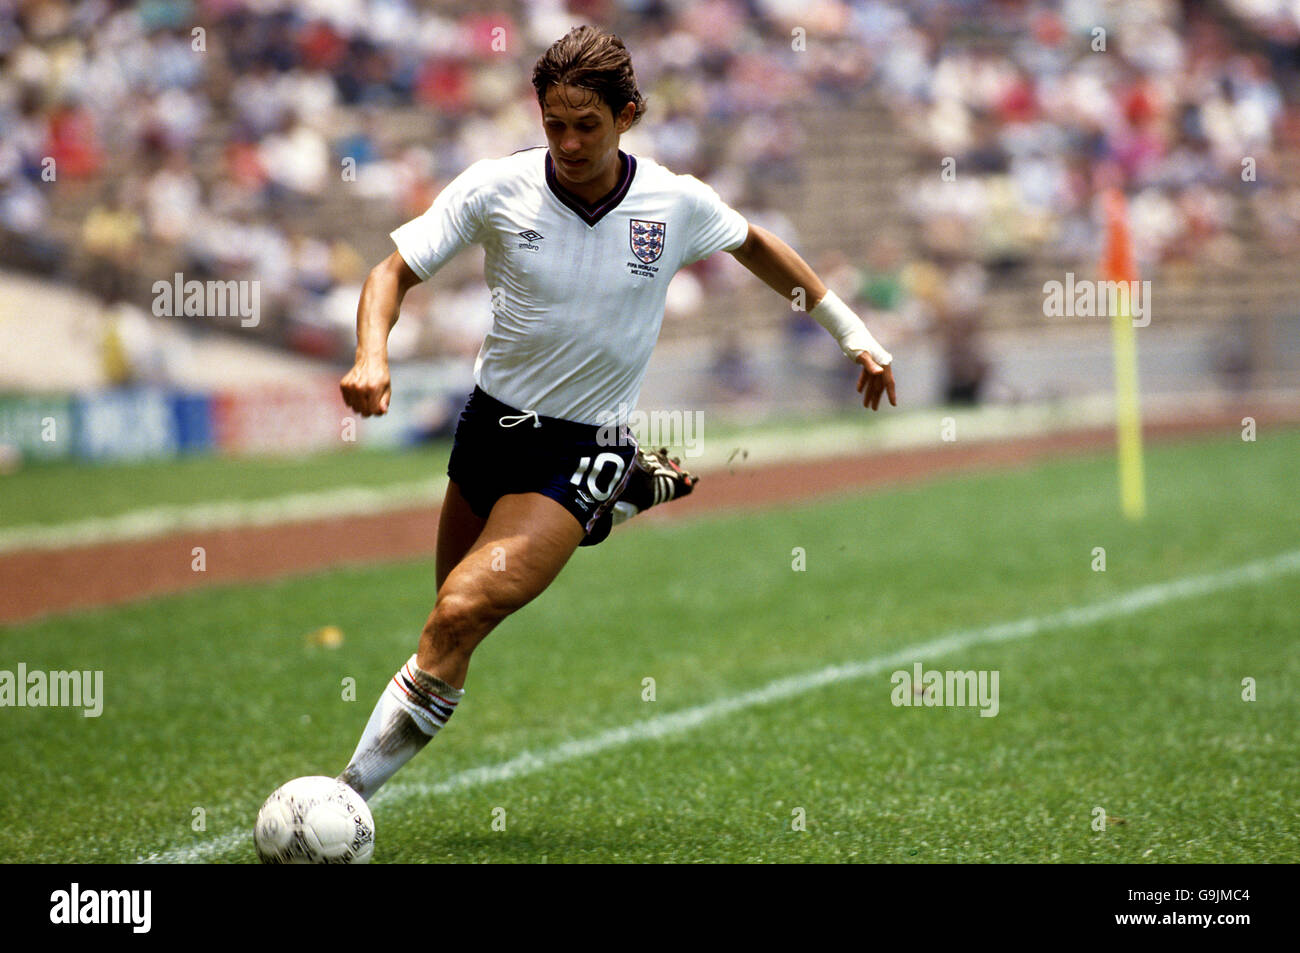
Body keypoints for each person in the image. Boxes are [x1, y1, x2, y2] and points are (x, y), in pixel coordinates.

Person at [335, 26, 897, 801]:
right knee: (446, 615)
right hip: (488, 429)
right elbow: (390, 272)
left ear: (628, 114)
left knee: (459, 614)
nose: (567, 142)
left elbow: (758, 245)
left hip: (577, 442)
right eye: (554, 124)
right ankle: (618, 496)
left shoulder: (674, 203)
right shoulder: (496, 187)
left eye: (586, 125)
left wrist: (854, 334)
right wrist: (372, 354)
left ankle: (343, 797)